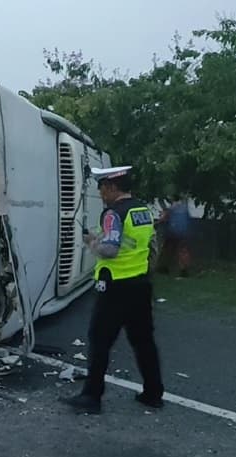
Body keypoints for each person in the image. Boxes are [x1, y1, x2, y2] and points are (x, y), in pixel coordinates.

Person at [61, 166, 164, 414]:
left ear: (112, 187)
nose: (101, 194)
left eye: (102, 188)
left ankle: (91, 396)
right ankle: (153, 393)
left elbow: (111, 249)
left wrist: (91, 243)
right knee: (143, 341)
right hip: (140, 284)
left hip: (115, 286)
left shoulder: (112, 213)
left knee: (99, 341)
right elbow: (142, 243)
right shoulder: (143, 210)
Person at [157, 195, 192, 277]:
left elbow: (163, 218)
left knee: (167, 251)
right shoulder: (184, 208)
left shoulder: (172, 208)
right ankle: (184, 270)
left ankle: (164, 268)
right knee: (182, 252)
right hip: (183, 233)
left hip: (172, 233)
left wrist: (157, 223)